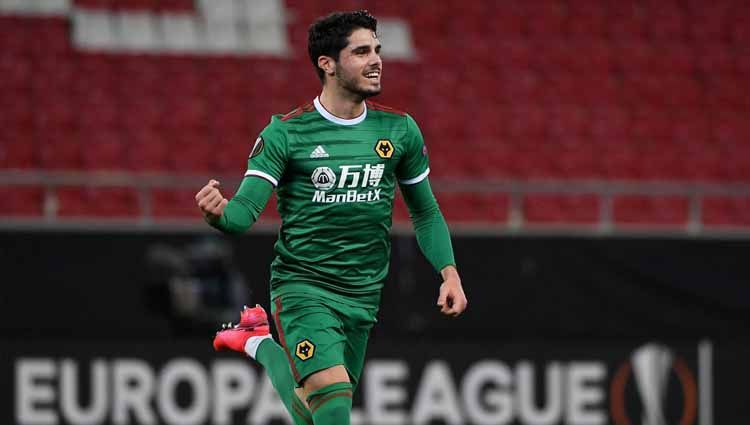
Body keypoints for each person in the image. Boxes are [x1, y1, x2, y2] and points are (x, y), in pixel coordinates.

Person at [195, 10, 467, 425]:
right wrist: (219, 214)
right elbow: (242, 214)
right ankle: (261, 341)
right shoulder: (286, 134)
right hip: (304, 285)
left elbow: (425, 211)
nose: (376, 59)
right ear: (328, 64)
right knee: (334, 399)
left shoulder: (399, 131)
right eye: (361, 52)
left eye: (377, 49)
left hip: (363, 291)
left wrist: (449, 272)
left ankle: (260, 344)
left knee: (316, 411)